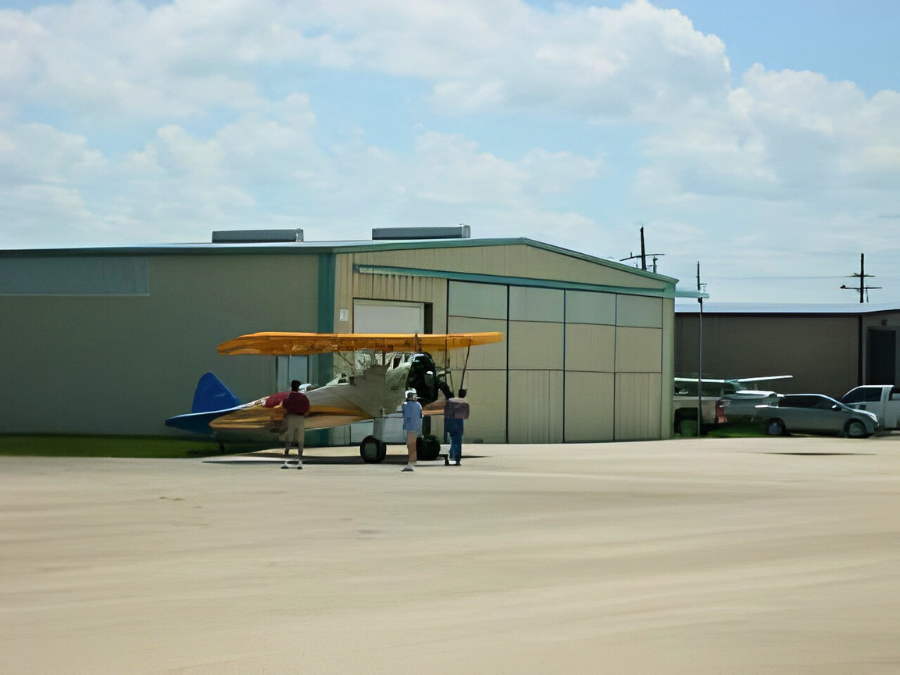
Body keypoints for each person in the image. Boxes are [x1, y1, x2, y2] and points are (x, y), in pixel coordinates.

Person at [281, 380, 310, 469]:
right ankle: (300, 461)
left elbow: (284, 405)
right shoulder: (303, 397)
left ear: (291, 386)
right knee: (300, 439)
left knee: (289, 438)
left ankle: (286, 461)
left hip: (291, 417)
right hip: (300, 418)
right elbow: (307, 408)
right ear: (299, 387)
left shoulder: (288, 397)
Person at [444, 388, 469, 465]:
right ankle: (456, 458)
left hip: (450, 421)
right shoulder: (465, 403)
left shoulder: (450, 401)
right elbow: (466, 415)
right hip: (459, 422)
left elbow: (446, 413)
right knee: (458, 441)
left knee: (452, 439)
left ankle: (451, 455)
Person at [401, 390, 422, 472]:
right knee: (413, 445)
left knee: (411, 446)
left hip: (410, 428)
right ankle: (412, 462)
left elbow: (405, 416)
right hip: (417, 427)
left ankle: (410, 463)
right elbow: (420, 415)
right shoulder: (418, 405)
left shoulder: (406, 406)